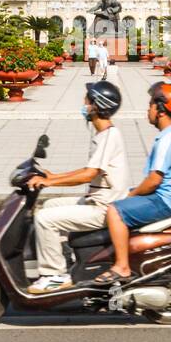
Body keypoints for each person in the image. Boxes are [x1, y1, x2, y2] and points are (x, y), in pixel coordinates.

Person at [25, 81, 128, 293]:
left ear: (97, 106)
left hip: (106, 209)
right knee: (50, 205)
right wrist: (53, 176)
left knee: (44, 219)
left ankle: (53, 274)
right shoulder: (102, 135)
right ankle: (64, 258)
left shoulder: (110, 135)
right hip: (97, 201)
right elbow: (89, 169)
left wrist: (50, 182)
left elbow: (89, 174)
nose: (84, 104)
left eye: (87, 100)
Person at [94, 83, 171, 285]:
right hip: (164, 197)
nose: (148, 110)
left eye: (151, 106)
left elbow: (154, 181)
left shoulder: (168, 139)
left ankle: (122, 267)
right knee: (119, 199)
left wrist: (131, 196)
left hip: (164, 200)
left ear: (161, 110)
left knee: (115, 210)